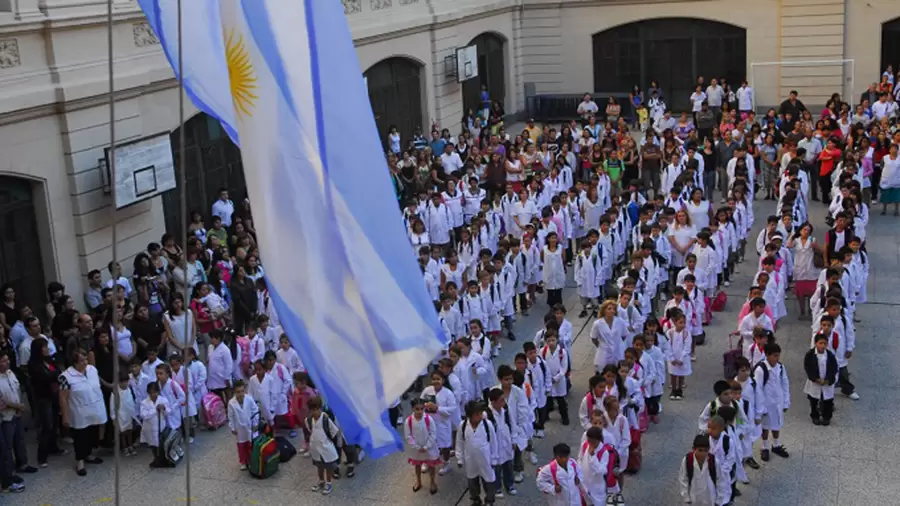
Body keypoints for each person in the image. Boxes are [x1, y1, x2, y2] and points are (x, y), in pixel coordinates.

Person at [59, 349, 108, 476]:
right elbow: (63, 398)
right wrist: (65, 416)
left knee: (92, 434)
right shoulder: (66, 377)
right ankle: (80, 461)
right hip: (79, 411)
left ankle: (89, 454)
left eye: (86, 359)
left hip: (95, 408)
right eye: (82, 361)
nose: (85, 362)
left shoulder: (92, 370)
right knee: (80, 437)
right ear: (74, 363)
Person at [456, 400, 498, 506]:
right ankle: (475, 499)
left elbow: (493, 442)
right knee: (472, 481)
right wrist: (460, 458)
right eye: (477, 413)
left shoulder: (487, 424)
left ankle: (489, 500)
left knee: (489, 481)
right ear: (470, 415)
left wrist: (494, 458)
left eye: (481, 412)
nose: (480, 415)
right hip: (471, 460)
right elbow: (459, 442)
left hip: (485, 459)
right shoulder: (463, 425)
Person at [754, 343, 790, 462]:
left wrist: (786, 401)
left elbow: (785, 384)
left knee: (776, 423)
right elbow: (757, 389)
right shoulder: (761, 370)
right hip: (766, 403)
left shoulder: (780, 367)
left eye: (778, 356)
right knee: (765, 426)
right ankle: (765, 446)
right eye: (774, 356)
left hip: (777, 402)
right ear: (767, 355)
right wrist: (760, 408)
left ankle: (776, 445)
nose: (777, 358)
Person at [0, 353, 36, 475]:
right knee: (8, 445)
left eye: (7, 359)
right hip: (6, 416)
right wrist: (17, 406)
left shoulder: (10, 373)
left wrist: (20, 405)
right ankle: (10, 472)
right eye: (4, 360)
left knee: (20, 440)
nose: (8, 362)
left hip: (17, 413)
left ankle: (23, 464)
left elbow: (17, 389)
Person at [306, 395, 342, 495]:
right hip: (315, 448)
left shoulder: (325, 419)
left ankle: (329, 483)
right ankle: (321, 481)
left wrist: (336, 442)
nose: (314, 412)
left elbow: (334, 431)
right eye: (312, 410)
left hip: (326, 447)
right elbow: (310, 430)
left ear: (320, 408)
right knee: (319, 466)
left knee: (328, 467)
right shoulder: (309, 420)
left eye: (316, 409)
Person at [679, 434, 729, 506]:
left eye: (705, 450)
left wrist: (719, 500)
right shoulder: (688, 460)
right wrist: (686, 498)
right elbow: (683, 479)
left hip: (710, 498)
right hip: (693, 498)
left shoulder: (713, 461)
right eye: (700, 450)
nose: (703, 453)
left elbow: (720, 480)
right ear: (694, 449)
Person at [404, 398, 440, 494]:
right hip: (417, 450)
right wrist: (416, 446)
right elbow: (408, 436)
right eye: (417, 409)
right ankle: (418, 481)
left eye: (422, 409)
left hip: (429, 448)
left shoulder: (429, 419)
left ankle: (432, 482)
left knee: (431, 465)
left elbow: (433, 433)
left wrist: (426, 446)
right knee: (417, 465)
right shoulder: (409, 421)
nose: (420, 411)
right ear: (412, 409)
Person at [804, 332, 838, 426]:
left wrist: (827, 379)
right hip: (815, 382)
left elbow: (834, 368)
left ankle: (826, 417)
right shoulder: (810, 355)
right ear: (816, 343)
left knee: (828, 401)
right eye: (820, 343)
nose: (822, 346)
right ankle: (815, 416)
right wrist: (815, 378)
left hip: (826, 382)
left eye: (824, 343)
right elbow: (808, 367)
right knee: (814, 400)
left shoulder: (830, 356)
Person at [227, 380, 259, 470]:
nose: (240, 394)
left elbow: (255, 410)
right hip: (239, 427)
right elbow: (231, 416)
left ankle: (251, 460)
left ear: (245, 390)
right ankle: (243, 462)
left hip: (250, 425)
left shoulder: (249, 399)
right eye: (238, 392)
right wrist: (232, 427)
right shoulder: (231, 403)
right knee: (241, 445)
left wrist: (255, 423)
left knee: (250, 443)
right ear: (234, 392)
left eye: (242, 391)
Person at [139, 381, 172, 468]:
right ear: (148, 393)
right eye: (151, 393)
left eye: (155, 392)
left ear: (158, 391)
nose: (153, 394)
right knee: (152, 445)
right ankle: (155, 459)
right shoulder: (144, 402)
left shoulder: (163, 400)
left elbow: (168, 412)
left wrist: (164, 408)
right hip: (149, 428)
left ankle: (163, 459)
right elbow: (143, 415)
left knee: (161, 444)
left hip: (160, 427)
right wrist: (154, 410)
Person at [108, 371, 137, 456]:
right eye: (122, 382)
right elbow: (112, 406)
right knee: (123, 433)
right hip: (120, 415)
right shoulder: (115, 392)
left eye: (126, 381)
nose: (124, 383)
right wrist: (113, 418)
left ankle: (130, 445)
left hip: (129, 414)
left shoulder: (129, 389)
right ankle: (125, 447)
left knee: (129, 431)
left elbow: (132, 402)